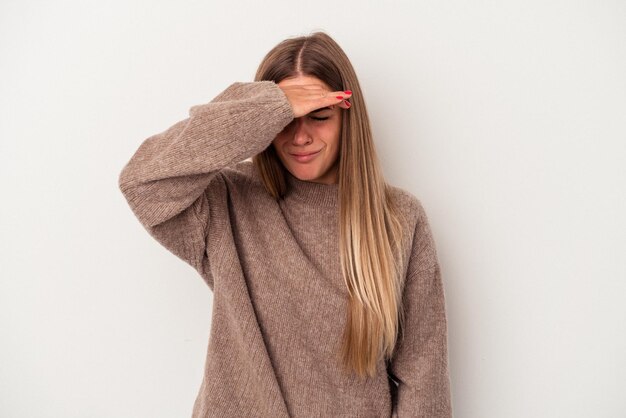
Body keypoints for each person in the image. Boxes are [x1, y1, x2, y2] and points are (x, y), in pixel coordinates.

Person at [118, 31, 452, 417]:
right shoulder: (228, 200)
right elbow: (142, 182)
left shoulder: (398, 219)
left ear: (348, 117)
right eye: (287, 121)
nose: (301, 137)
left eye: (320, 116)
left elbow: (424, 381)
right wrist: (267, 107)